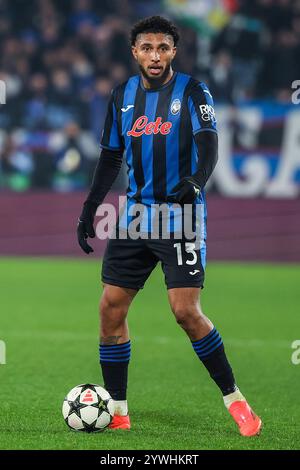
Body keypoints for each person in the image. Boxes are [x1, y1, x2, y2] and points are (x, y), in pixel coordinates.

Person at [77, 16, 262, 436]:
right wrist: (90, 207)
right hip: (135, 215)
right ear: (135, 52)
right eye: (147, 47)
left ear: (173, 51)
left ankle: (236, 400)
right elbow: (110, 157)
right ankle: (119, 411)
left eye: (163, 47)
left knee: (185, 311)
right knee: (110, 308)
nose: (155, 55)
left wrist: (196, 180)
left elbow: (209, 143)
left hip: (180, 215)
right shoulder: (121, 95)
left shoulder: (194, 91)